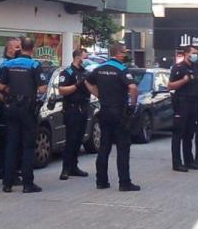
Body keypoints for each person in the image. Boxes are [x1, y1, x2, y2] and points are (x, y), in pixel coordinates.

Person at [0, 37, 48, 193]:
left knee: (11, 144)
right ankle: (27, 184)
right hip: (27, 108)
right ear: (33, 49)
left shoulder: (7, 64)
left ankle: (7, 183)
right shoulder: (34, 65)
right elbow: (43, 88)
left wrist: (12, 92)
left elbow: (1, 86)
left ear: (20, 48)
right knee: (28, 146)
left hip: (11, 107)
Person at [85, 42, 140, 191]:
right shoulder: (122, 69)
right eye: (125, 52)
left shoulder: (99, 68)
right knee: (123, 148)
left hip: (105, 111)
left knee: (104, 147)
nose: (126, 54)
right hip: (119, 112)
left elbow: (87, 82)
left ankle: (101, 181)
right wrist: (133, 105)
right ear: (119, 53)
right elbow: (133, 87)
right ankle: (124, 182)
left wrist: (99, 95)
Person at [0, 36, 24, 182]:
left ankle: (5, 170)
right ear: (10, 49)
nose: (20, 49)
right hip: (5, 108)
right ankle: (6, 172)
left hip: (11, 107)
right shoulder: (5, 66)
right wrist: (8, 102)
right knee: (7, 141)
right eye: (18, 47)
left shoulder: (13, 64)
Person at [57, 48, 91, 180]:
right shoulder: (67, 72)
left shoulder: (86, 73)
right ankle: (65, 169)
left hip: (84, 108)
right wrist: (76, 86)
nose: (86, 59)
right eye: (85, 56)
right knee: (71, 139)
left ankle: (74, 166)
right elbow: (61, 90)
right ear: (78, 57)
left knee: (79, 139)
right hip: (72, 109)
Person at [168, 46, 198, 172]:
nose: (195, 56)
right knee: (178, 133)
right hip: (181, 103)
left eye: (196, 53)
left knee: (189, 133)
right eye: (193, 53)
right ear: (186, 54)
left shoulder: (195, 67)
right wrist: (184, 80)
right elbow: (170, 86)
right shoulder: (178, 68)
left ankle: (189, 161)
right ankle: (177, 163)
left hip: (193, 103)